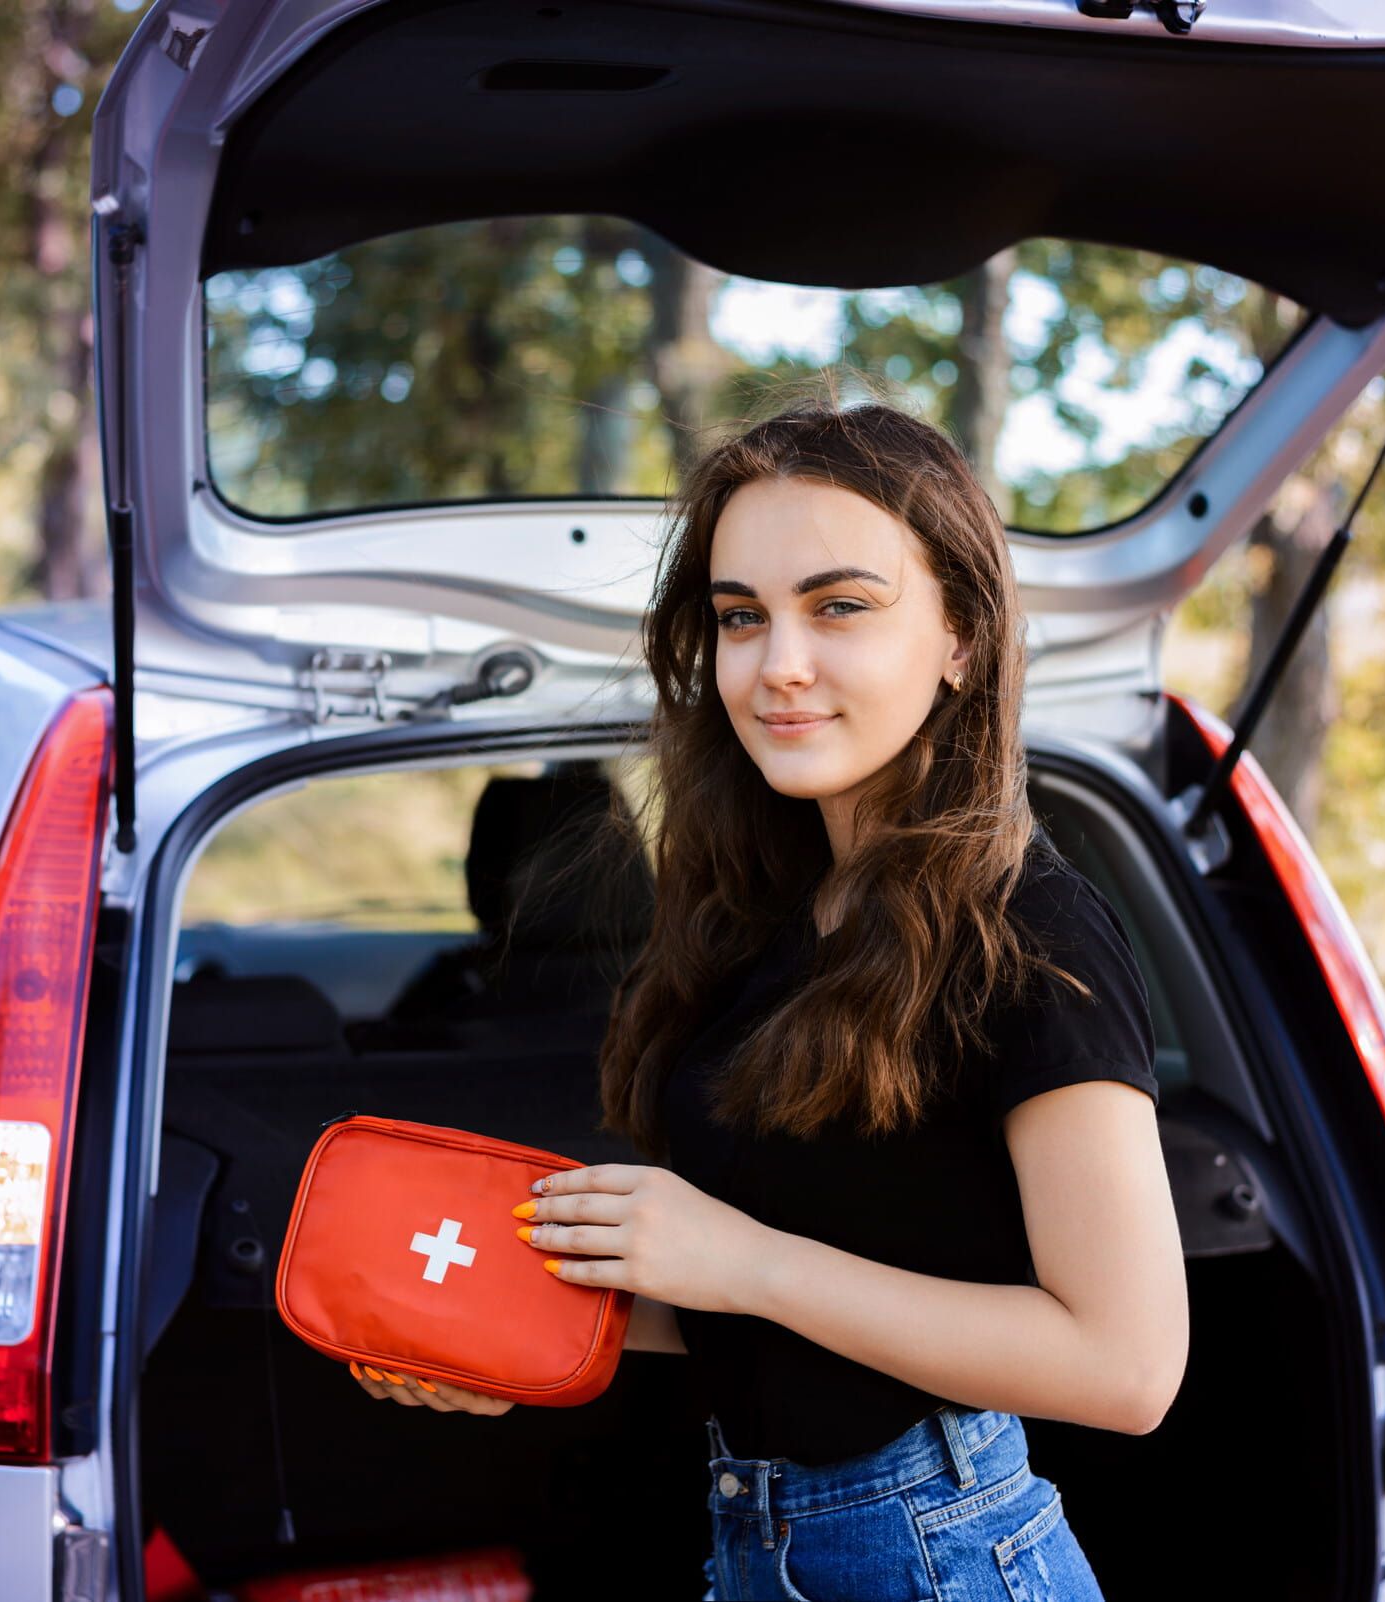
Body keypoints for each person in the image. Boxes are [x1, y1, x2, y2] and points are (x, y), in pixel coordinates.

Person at [347, 383, 1188, 1601]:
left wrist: (746, 1263)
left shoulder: (1032, 931)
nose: (778, 667)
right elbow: (753, 1297)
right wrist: (514, 1337)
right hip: (761, 1534)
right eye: (742, 618)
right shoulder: (772, 916)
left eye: (840, 607)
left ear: (961, 636)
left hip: (940, 1550)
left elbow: (1128, 1366)